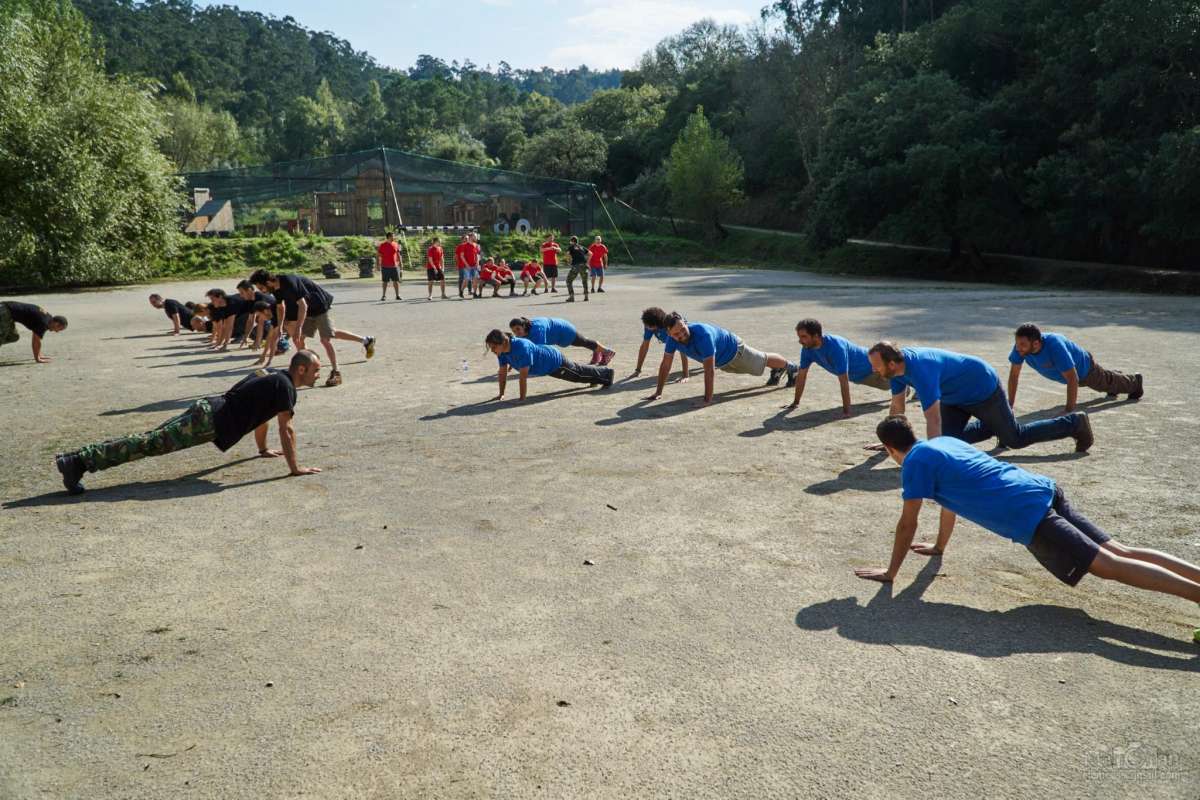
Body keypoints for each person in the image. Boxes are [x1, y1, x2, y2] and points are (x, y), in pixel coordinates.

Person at [857, 416, 1200, 636]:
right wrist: (940, 547)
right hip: (1041, 488)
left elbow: (908, 523)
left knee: (1108, 566)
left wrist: (891, 572)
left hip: (1028, 511)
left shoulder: (914, 462)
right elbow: (949, 505)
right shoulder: (941, 442)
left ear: (889, 449)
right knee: (1119, 550)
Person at [54, 350, 325, 495]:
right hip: (209, 421)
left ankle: (76, 458)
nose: (318, 374)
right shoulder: (286, 388)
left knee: (149, 439)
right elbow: (285, 428)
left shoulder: (275, 377)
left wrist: (262, 449)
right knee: (149, 444)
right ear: (301, 368)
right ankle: (78, 462)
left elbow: (261, 416)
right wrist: (295, 468)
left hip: (207, 408)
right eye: (316, 370)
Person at [867, 341, 1093, 453]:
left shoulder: (921, 370)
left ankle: (1075, 423)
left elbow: (933, 419)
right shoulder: (895, 371)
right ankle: (998, 424)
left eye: (876, 366)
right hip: (954, 397)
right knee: (950, 441)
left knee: (1014, 438)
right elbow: (897, 406)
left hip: (982, 388)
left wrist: (932, 461)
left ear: (892, 363)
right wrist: (889, 441)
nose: (874, 370)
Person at [249, 269, 375, 387]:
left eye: (261, 288)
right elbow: (280, 307)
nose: (262, 291)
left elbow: (302, 305)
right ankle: (365, 341)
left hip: (319, 306)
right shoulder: (276, 289)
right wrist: (281, 326)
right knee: (301, 339)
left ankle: (336, 372)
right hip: (308, 311)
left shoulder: (288, 282)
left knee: (325, 339)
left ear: (268, 282)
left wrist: (298, 327)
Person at [650, 312, 798, 404]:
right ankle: (778, 369)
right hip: (723, 361)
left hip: (734, 350)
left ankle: (792, 367)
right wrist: (658, 392)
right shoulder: (671, 340)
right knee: (757, 367)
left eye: (683, 329)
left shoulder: (703, 335)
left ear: (685, 322)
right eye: (676, 334)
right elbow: (665, 365)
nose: (682, 334)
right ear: (669, 334)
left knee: (762, 360)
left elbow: (709, 370)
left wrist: (708, 399)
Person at [1008, 323, 1143, 412]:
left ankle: (1136, 382)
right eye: (1017, 344)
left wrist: (1068, 410)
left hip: (1085, 371)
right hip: (1074, 375)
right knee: (1108, 381)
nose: (1018, 348)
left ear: (1036, 344)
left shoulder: (1054, 346)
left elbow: (1073, 378)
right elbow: (1014, 376)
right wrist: (1010, 406)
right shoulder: (1020, 348)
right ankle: (1114, 377)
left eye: (1022, 344)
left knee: (1105, 383)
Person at [787, 319, 893, 416]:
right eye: (799, 337)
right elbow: (802, 375)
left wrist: (847, 411)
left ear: (815, 336)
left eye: (804, 337)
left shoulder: (836, 346)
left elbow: (843, 380)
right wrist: (795, 402)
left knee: (893, 383)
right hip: (857, 376)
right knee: (891, 385)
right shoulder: (807, 349)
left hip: (873, 369)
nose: (800, 341)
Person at [485, 330, 613, 401]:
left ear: (503, 342)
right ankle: (597, 377)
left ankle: (606, 375)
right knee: (578, 374)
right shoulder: (501, 352)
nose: (492, 350)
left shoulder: (521, 347)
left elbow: (523, 376)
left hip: (553, 361)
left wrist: (522, 399)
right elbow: (502, 373)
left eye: (494, 347)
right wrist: (501, 394)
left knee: (577, 375)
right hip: (546, 367)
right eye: (491, 347)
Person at [508, 316, 614, 366]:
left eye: (518, 329)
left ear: (524, 325)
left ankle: (607, 352)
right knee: (583, 341)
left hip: (563, 331)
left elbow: (540, 351)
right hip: (558, 329)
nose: (516, 333)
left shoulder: (537, 330)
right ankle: (597, 350)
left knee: (583, 342)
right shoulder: (526, 330)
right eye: (514, 331)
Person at [633, 306, 689, 382]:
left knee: (704, 359)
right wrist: (637, 370)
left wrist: (685, 375)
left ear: (655, 325)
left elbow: (683, 349)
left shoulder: (671, 325)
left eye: (648, 326)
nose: (646, 327)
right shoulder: (649, 325)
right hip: (678, 344)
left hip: (689, 342)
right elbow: (644, 347)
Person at [0, 301, 67, 364]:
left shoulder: (48, 320)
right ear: (56, 323)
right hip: (4, 310)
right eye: (59, 329)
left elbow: (38, 339)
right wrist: (37, 358)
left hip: (7, 313)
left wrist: (39, 355)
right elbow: (36, 341)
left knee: (14, 337)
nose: (57, 331)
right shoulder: (43, 322)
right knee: (1, 336)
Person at [376, 231, 403, 301]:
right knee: (385, 281)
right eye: (392, 236)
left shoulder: (396, 244)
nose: (394, 237)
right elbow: (378, 255)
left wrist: (401, 263)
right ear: (388, 237)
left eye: (394, 236)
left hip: (394, 266)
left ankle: (397, 295)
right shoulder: (382, 245)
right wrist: (378, 265)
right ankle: (384, 296)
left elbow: (398, 254)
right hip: (385, 266)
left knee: (396, 281)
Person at [565, 235, 589, 302]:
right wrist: (587, 262)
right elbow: (590, 253)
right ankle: (586, 296)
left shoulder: (571, 247)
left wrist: (568, 261)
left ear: (572, 241)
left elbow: (567, 254)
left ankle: (571, 297)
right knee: (584, 281)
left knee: (568, 281)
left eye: (570, 241)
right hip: (584, 265)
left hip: (576, 266)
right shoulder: (581, 247)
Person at [426, 236, 447, 300]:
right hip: (431, 267)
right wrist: (434, 268)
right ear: (435, 242)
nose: (440, 242)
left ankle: (443, 294)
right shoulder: (430, 249)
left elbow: (442, 258)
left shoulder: (440, 248)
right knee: (431, 281)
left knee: (443, 280)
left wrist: (443, 267)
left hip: (438, 267)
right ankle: (430, 295)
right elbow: (430, 260)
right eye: (439, 241)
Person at [454, 234, 473, 299]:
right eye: (465, 238)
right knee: (461, 278)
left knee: (469, 278)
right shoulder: (459, 246)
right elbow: (456, 256)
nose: (467, 239)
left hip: (468, 265)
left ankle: (470, 291)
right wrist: (456, 264)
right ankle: (460, 291)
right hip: (461, 265)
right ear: (462, 239)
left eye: (467, 238)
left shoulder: (470, 245)